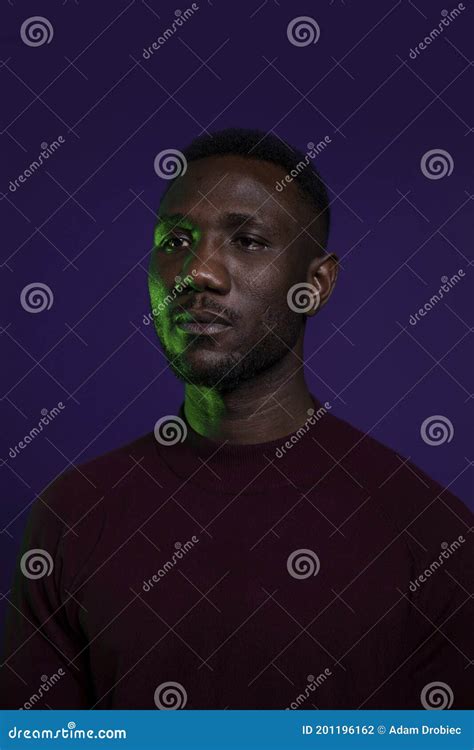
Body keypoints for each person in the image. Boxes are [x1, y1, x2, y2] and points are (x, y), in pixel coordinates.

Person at [1, 128, 472, 710]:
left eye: (247, 241)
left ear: (316, 284)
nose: (199, 273)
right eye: (176, 239)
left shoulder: (430, 532)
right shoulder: (73, 514)